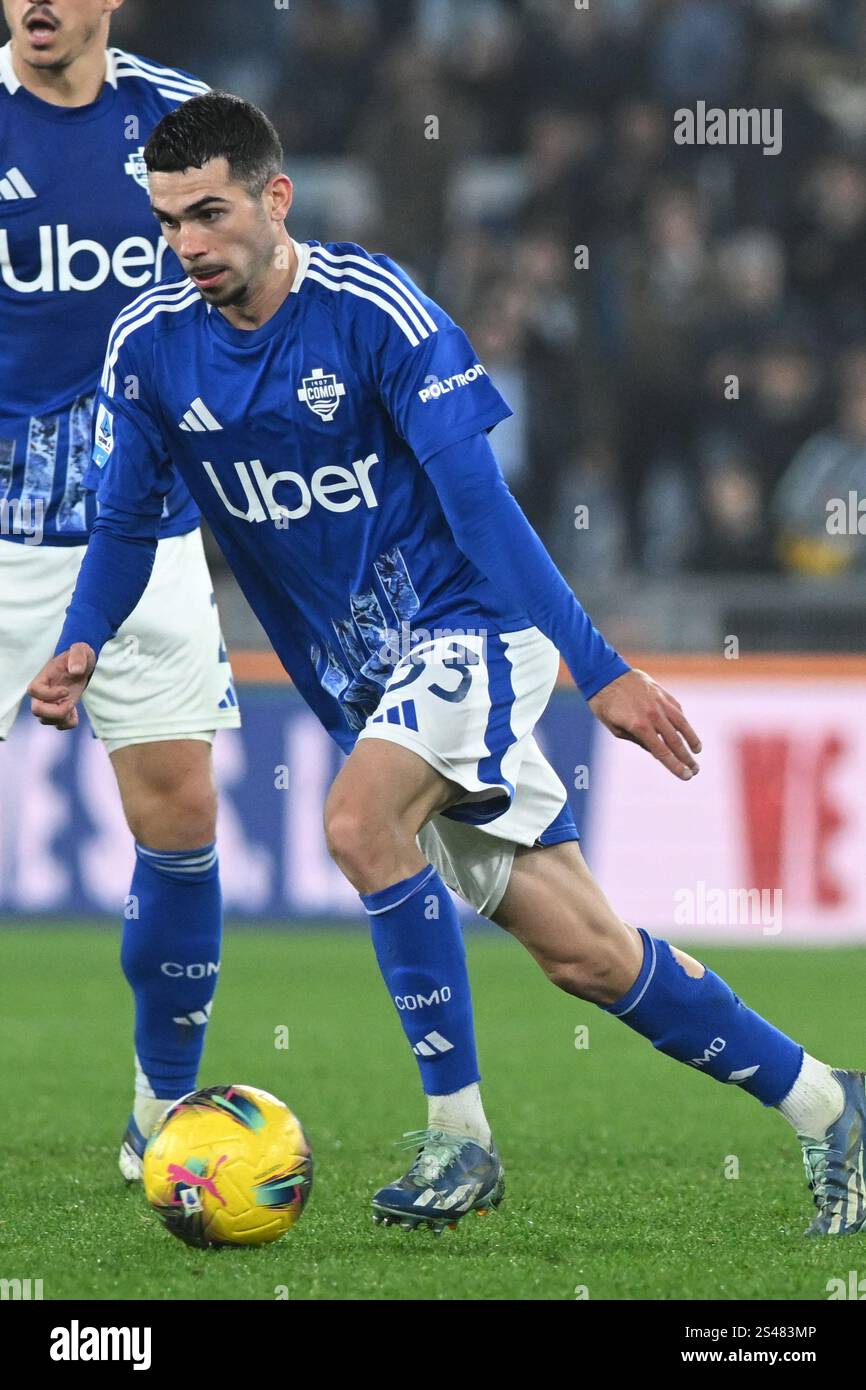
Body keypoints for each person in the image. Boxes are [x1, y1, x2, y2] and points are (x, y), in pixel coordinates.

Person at [30, 92, 864, 1237]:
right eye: (169, 220)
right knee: (583, 951)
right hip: (367, 679)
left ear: (276, 198)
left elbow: (482, 508)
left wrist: (598, 667)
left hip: (471, 626)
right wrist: (80, 641)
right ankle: (830, 1104)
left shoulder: (371, 311)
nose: (189, 246)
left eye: (211, 214)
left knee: (356, 823)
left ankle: (457, 1138)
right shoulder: (153, 346)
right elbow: (128, 524)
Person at [0, 0, 240, 1179]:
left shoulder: (176, 121)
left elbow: (243, 295)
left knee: (181, 814)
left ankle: (163, 1106)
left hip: (139, 524)